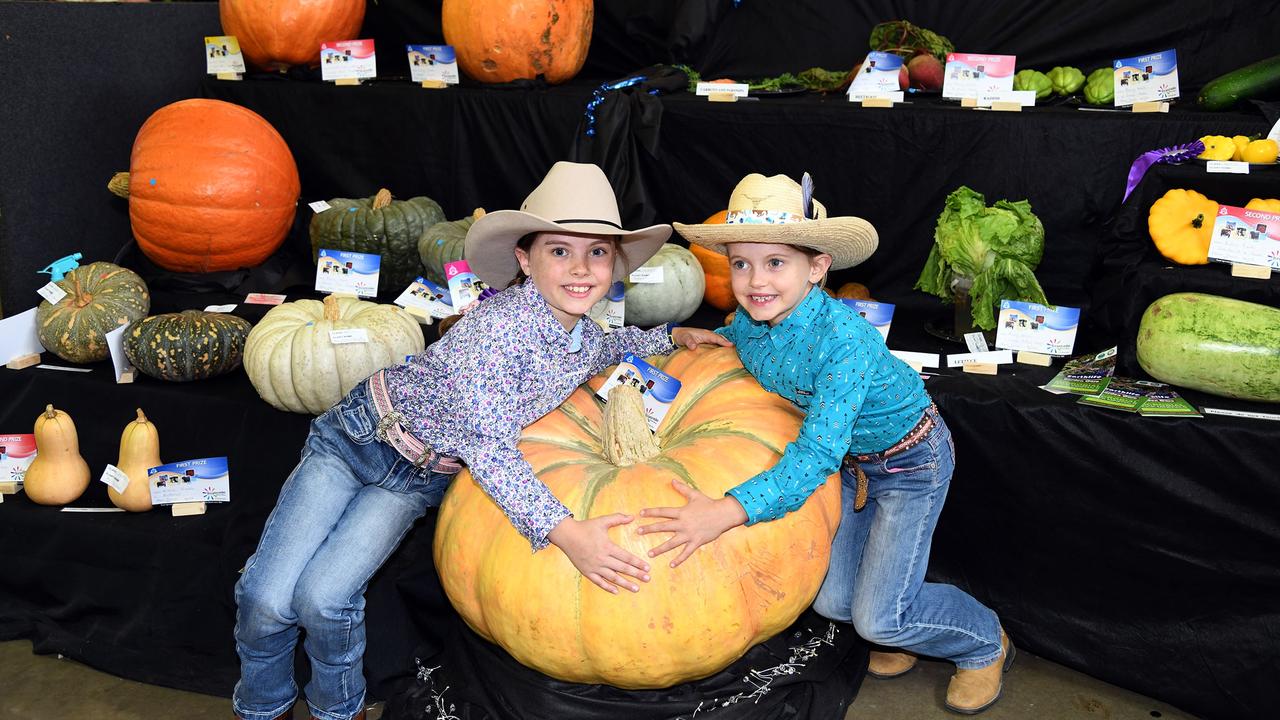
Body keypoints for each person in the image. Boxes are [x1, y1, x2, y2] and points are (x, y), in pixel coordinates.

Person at [232, 161, 728, 720]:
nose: (580, 268)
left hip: (417, 478)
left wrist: (669, 335)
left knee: (325, 600)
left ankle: (334, 709)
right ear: (524, 258)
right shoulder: (497, 332)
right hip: (357, 440)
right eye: (559, 252)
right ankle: (262, 704)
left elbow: (607, 345)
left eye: (596, 252)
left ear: (614, 263)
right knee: (267, 598)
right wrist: (567, 533)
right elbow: (491, 449)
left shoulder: (579, 329)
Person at [641, 172, 1013, 715]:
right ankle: (902, 633)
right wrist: (696, 341)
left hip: (912, 462)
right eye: (741, 263)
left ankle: (982, 642)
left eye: (775, 263)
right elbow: (736, 349)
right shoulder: (749, 320)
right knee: (835, 601)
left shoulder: (844, 342)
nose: (754, 281)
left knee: (878, 616)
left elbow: (815, 455)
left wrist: (727, 510)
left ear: (816, 268)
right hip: (853, 466)